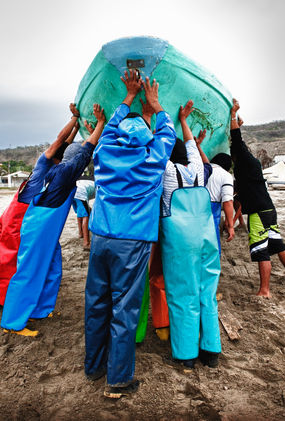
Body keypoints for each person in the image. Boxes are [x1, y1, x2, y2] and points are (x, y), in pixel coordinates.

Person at [84, 70, 176, 399]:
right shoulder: (153, 157)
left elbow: (108, 128)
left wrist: (128, 97)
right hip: (133, 241)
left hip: (101, 239)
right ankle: (118, 379)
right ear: (146, 138)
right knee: (124, 309)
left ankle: (93, 367)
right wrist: (154, 102)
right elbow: (168, 132)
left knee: (96, 303)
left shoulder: (105, 152)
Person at [0, 103, 106, 336]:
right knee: (28, 272)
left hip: (40, 227)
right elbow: (87, 149)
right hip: (39, 230)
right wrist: (99, 124)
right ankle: (12, 322)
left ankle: (41, 309)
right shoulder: (66, 171)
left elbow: (65, 144)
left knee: (53, 269)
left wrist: (77, 123)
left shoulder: (50, 167)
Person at [0, 104, 81, 312]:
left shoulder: (45, 165)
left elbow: (62, 143)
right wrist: (74, 118)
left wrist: (75, 125)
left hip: (12, 211)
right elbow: (60, 140)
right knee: (10, 257)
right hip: (19, 216)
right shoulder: (48, 163)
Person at [159, 100, 221, 370]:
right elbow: (192, 146)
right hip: (207, 238)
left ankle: (186, 355)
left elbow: (158, 147)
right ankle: (211, 350)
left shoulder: (167, 172)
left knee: (182, 294)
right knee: (207, 292)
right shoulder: (198, 170)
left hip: (180, 242)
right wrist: (183, 120)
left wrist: (155, 110)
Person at [229, 98, 285, 298]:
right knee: (278, 243)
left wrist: (233, 114)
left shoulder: (242, 158)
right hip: (269, 209)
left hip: (259, 211)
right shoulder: (253, 163)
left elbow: (236, 139)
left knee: (261, 250)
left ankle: (264, 290)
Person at [194, 129, 235, 251]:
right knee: (211, 247)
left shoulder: (203, 168)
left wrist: (198, 146)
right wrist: (231, 225)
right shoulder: (225, 175)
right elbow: (228, 201)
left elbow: (205, 161)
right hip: (211, 211)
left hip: (194, 208)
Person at [72, 178, 95, 250]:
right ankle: (86, 243)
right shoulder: (99, 187)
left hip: (73, 191)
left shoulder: (91, 183)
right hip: (81, 192)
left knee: (81, 213)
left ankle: (81, 233)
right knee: (85, 216)